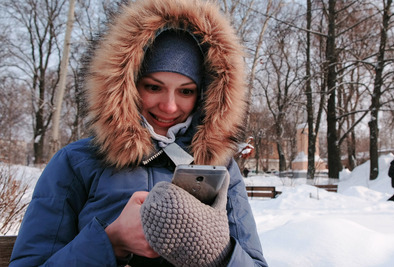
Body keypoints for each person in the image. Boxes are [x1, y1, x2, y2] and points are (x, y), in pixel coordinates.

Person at [10, 0, 267, 266]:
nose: (169, 106)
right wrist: (110, 241)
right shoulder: (76, 163)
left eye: (185, 91)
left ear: (204, 96)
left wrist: (220, 254)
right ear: (128, 86)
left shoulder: (220, 167)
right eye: (154, 87)